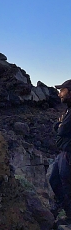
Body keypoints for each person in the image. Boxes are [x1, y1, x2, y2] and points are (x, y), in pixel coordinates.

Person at [47, 80, 71, 221]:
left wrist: (60, 125)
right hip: (63, 153)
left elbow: (62, 130)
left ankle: (69, 217)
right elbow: (60, 128)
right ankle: (64, 208)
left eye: (62, 90)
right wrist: (60, 125)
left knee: (67, 185)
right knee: (54, 180)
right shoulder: (68, 109)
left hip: (69, 154)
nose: (59, 94)